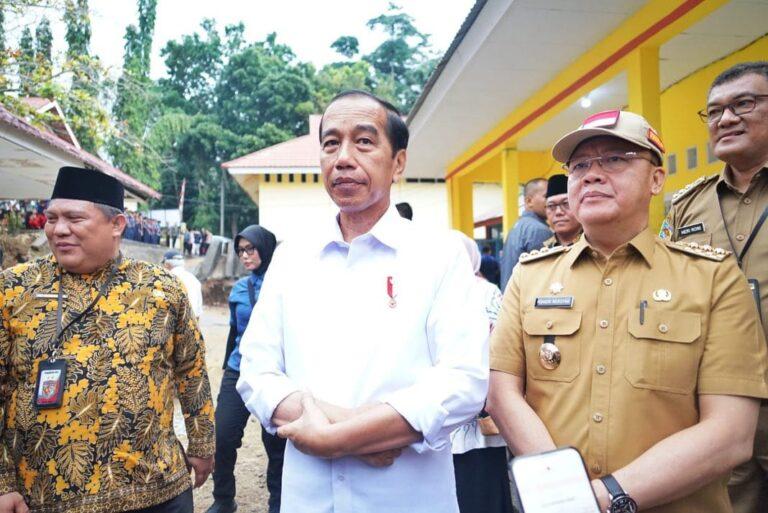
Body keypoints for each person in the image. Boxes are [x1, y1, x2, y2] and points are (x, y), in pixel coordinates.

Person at [487, 110, 768, 513]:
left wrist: (600, 499)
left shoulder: (713, 278)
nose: (592, 174)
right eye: (580, 165)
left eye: (615, 159)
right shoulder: (530, 276)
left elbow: (731, 432)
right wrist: (561, 491)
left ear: (656, 179)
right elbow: (502, 393)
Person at [236, 90, 488, 513]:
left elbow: (463, 381)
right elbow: (257, 372)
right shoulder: (292, 257)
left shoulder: (440, 256)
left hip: (407, 498)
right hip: (310, 498)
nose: (343, 158)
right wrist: (356, 433)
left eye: (364, 142)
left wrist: (335, 437)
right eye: (331, 143)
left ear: (399, 162)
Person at [0, 166, 215, 513]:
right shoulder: (13, 290)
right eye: (51, 218)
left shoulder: (161, 289)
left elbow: (191, 370)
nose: (58, 230)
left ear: (117, 226)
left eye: (74, 218)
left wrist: (203, 443)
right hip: (42, 496)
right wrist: (2, 482)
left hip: (157, 491)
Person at [660, 61, 768, 513]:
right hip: (720, 407)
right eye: (714, 112)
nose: (725, 119)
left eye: (744, 103)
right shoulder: (687, 205)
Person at [207, 225, 284, 513]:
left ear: (265, 248)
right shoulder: (239, 289)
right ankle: (224, 499)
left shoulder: (285, 285)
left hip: (275, 372)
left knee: (277, 445)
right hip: (239, 369)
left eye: (250, 249)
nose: (245, 255)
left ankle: (278, 503)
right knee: (222, 437)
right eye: (241, 251)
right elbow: (233, 331)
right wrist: (228, 366)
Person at [449, 231, 512, 513]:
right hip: (445, 421)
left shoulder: (485, 292)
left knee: (480, 491)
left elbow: (497, 349)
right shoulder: (428, 292)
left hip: (478, 416)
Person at [499, 178, 551, 290]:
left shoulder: (517, 226)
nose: (551, 200)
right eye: (547, 196)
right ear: (529, 201)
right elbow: (545, 278)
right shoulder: (539, 230)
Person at [542, 174, 582, 248]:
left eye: (565, 203)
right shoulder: (543, 249)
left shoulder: (596, 243)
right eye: (551, 206)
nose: (558, 212)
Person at [162, 250, 204, 319]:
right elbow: (198, 313)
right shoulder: (194, 279)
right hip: (191, 323)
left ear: (167, 264)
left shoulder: (167, 279)